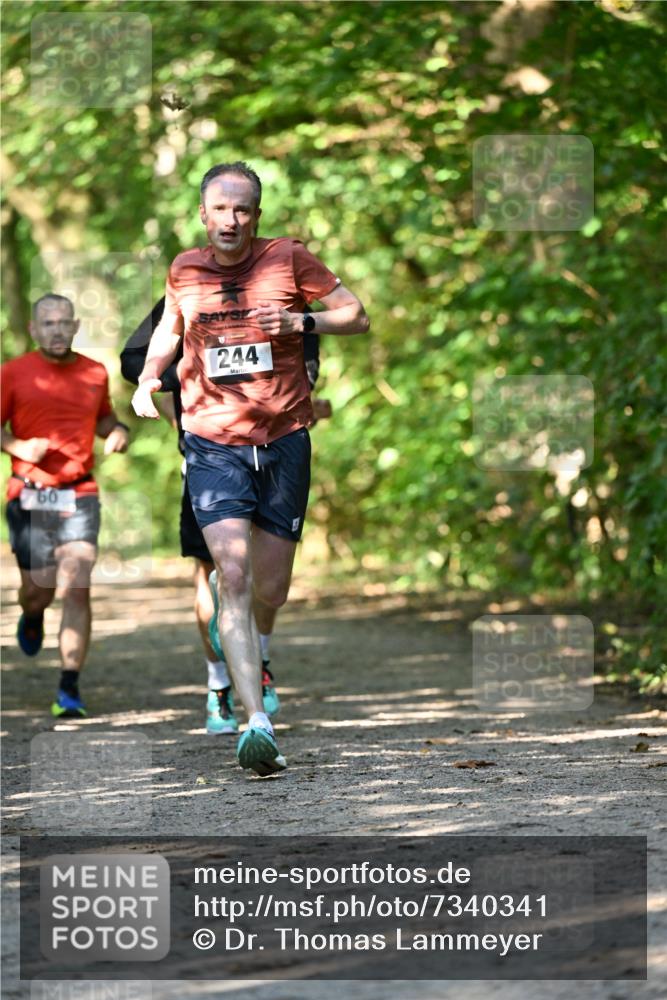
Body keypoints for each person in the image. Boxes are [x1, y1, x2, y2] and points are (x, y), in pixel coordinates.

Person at [132, 161, 369, 775]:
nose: (230, 220)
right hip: (213, 443)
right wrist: (149, 377)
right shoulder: (185, 269)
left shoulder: (289, 258)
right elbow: (169, 326)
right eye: (220, 209)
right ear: (203, 215)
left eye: (242, 210)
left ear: (256, 216)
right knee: (231, 577)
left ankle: (251, 637)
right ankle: (255, 720)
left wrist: (301, 321)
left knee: (272, 589)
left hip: (285, 439)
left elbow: (357, 314)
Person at [121, 298, 328, 735]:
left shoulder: (283, 291)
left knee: (269, 586)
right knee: (213, 572)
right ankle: (218, 687)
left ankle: (261, 657)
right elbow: (133, 360)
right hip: (207, 455)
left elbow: (306, 361)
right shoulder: (191, 289)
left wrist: (303, 390)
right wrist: (189, 376)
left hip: (273, 452)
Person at [1, 293, 129, 717]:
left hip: (79, 491)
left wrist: (117, 431)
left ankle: (69, 687)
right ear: (35, 330)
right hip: (29, 492)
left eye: (64, 323)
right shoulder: (13, 373)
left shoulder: (95, 373)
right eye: (48, 323)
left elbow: (105, 417)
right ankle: (33, 614)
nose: (57, 330)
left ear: (75, 327)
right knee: (38, 591)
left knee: (77, 583)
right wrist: (17, 445)